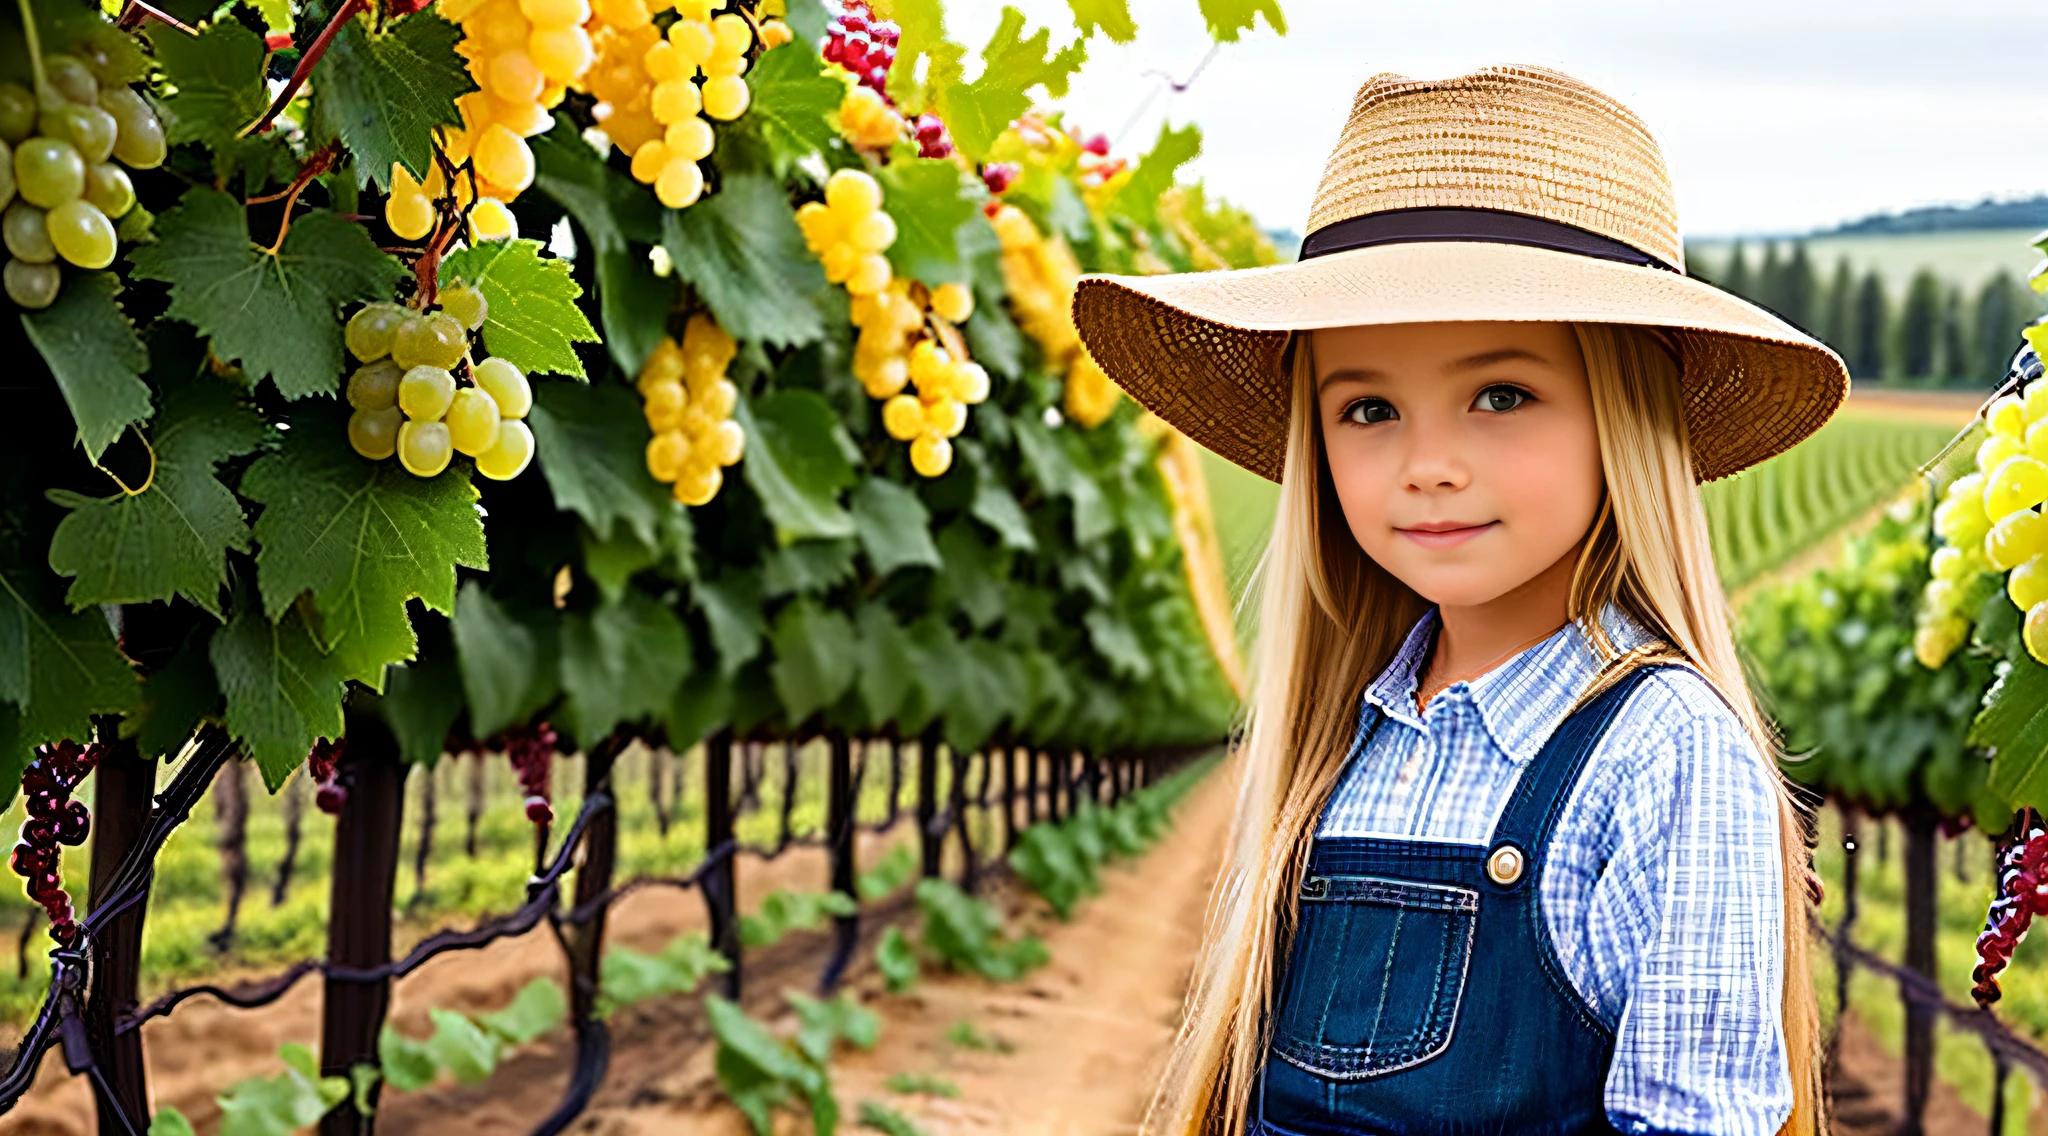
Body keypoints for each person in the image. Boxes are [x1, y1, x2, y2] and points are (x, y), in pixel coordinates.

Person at [1071, 66, 1846, 1136]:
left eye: (1499, 395)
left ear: (1619, 417)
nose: (1425, 463)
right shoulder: (1349, 732)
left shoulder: (1662, 752)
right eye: (1367, 407)